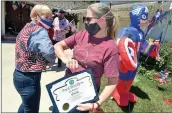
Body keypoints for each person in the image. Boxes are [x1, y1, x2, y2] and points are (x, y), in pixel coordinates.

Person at [54, 3, 119, 113]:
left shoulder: (111, 48)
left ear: (102, 20)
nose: (85, 22)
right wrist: (66, 59)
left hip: (86, 93)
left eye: (88, 19)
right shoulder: (82, 34)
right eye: (85, 19)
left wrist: (96, 104)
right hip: (67, 86)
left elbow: (112, 81)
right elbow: (58, 45)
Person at [13, 4, 55, 113]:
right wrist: (51, 61)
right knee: (31, 109)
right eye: (47, 17)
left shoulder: (27, 27)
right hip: (30, 78)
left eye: (51, 18)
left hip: (18, 75)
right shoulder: (39, 31)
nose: (50, 21)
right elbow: (49, 52)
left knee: (26, 105)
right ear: (36, 16)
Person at [111, 4, 149, 106]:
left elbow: (143, 46)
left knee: (131, 76)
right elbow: (119, 44)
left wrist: (152, 48)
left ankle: (125, 92)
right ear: (137, 16)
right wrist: (120, 60)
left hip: (135, 60)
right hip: (125, 62)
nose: (145, 20)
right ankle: (117, 92)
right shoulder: (127, 31)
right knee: (124, 77)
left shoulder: (141, 33)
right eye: (144, 17)